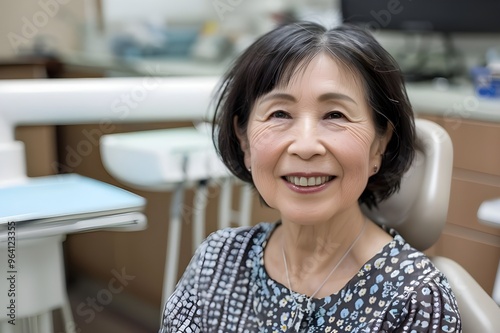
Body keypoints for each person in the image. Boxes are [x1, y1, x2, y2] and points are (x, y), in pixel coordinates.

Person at [160, 21, 462, 332]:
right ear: (244, 140)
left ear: (379, 145)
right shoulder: (219, 260)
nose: (305, 146)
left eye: (335, 115)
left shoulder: (414, 299)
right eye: (280, 114)